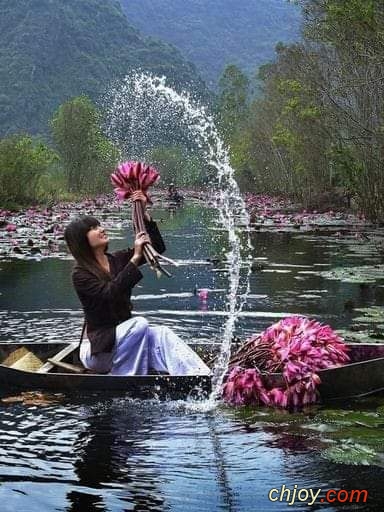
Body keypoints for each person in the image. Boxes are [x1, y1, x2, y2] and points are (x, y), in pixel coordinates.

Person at [64, 190, 209, 376]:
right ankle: (127, 378)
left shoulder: (116, 259)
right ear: (81, 240)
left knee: (162, 334)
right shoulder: (80, 274)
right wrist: (135, 258)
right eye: (93, 228)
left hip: (124, 342)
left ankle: (201, 377)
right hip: (100, 352)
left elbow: (157, 248)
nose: (101, 229)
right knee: (139, 324)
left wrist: (144, 214)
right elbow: (110, 293)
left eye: (99, 225)